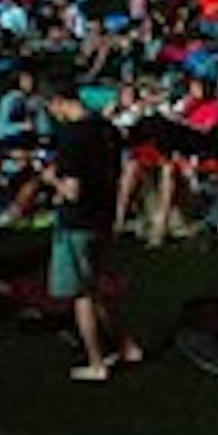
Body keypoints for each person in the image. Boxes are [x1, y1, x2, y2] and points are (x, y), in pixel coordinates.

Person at [41, 79, 141, 382]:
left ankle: (96, 362)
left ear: (59, 102)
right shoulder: (106, 129)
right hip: (103, 217)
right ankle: (126, 345)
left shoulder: (71, 137)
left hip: (78, 222)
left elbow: (72, 191)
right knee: (99, 288)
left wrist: (50, 179)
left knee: (82, 294)